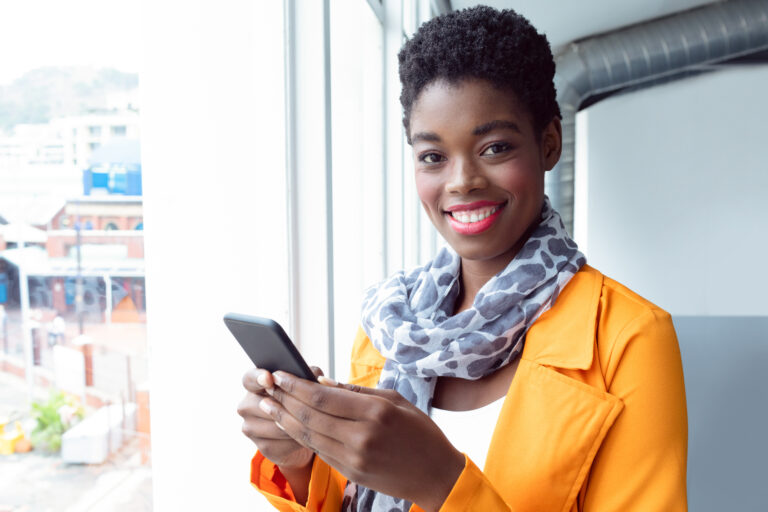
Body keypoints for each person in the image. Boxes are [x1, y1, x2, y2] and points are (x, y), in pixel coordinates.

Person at [238, 6, 688, 512]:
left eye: (494, 147)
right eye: (433, 156)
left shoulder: (628, 337)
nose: (461, 181)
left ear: (549, 143)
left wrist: (442, 485)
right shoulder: (390, 327)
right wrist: (300, 461)